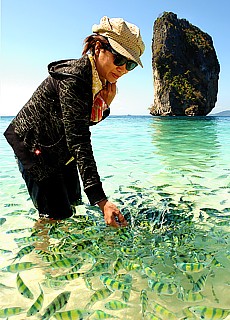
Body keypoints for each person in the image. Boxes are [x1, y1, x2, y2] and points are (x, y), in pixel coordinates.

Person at [4, 16, 145, 227]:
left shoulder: (99, 81)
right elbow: (79, 138)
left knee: (74, 203)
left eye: (131, 65)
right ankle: (39, 255)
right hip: (34, 147)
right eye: (120, 59)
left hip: (60, 148)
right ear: (98, 47)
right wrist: (102, 200)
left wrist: (103, 105)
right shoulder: (75, 78)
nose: (123, 69)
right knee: (54, 215)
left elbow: (78, 123)